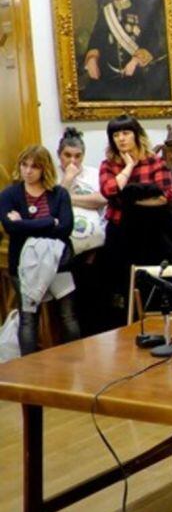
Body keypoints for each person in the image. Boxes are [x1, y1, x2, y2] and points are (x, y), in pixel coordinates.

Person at [0, 145, 80, 355]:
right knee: (28, 317)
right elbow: (11, 228)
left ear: (44, 169)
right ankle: (29, 365)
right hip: (24, 264)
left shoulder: (59, 193)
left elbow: (65, 228)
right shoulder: (9, 194)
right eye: (24, 165)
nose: (28, 171)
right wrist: (48, 222)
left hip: (58, 263)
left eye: (34, 167)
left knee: (68, 315)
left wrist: (25, 223)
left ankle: (75, 359)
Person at [99, 115, 172, 323]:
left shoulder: (155, 162)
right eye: (116, 135)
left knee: (153, 283)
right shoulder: (108, 165)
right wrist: (128, 168)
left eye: (126, 133)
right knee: (123, 284)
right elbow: (109, 190)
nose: (121, 139)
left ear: (136, 135)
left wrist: (130, 201)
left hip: (152, 232)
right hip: (120, 232)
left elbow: (166, 196)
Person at [81, 0, 167, 102]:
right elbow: (96, 40)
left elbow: (153, 42)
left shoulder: (141, 12)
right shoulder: (106, 13)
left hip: (136, 81)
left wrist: (135, 60)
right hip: (108, 80)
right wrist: (92, 60)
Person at [57, 128, 106, 257]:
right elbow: (55, 206)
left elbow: (101, 200)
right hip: (63, 243)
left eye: (77, 156)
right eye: (67, 155)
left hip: (96, 242)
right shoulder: (51, 175)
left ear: (83, 155)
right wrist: (67, 178)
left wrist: (67, 199)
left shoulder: (94, 173)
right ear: (59, 154)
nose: (73, 160)